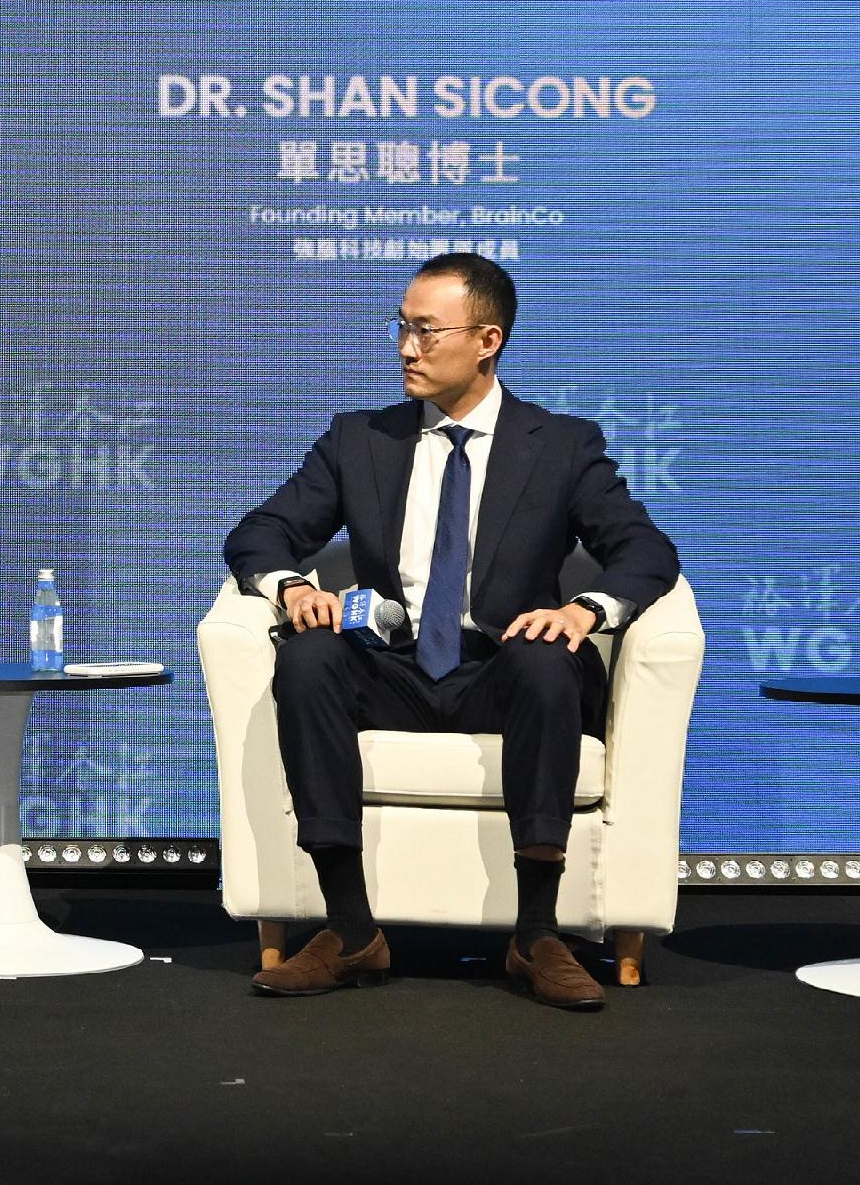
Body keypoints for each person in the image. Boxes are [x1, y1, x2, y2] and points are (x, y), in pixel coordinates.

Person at [224, 252, 682, 1010]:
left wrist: (583, 611)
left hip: (497, 674)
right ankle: (350, 930)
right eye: (401, 328)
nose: (406, 347)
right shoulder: (360, 439)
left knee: (545, 661)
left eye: (427, 332)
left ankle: (537, 935)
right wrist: (294, 585)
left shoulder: (561, 446)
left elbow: (645, 551)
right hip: (394, 671)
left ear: (487, 340)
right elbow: (260, 533)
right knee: (305, 658)